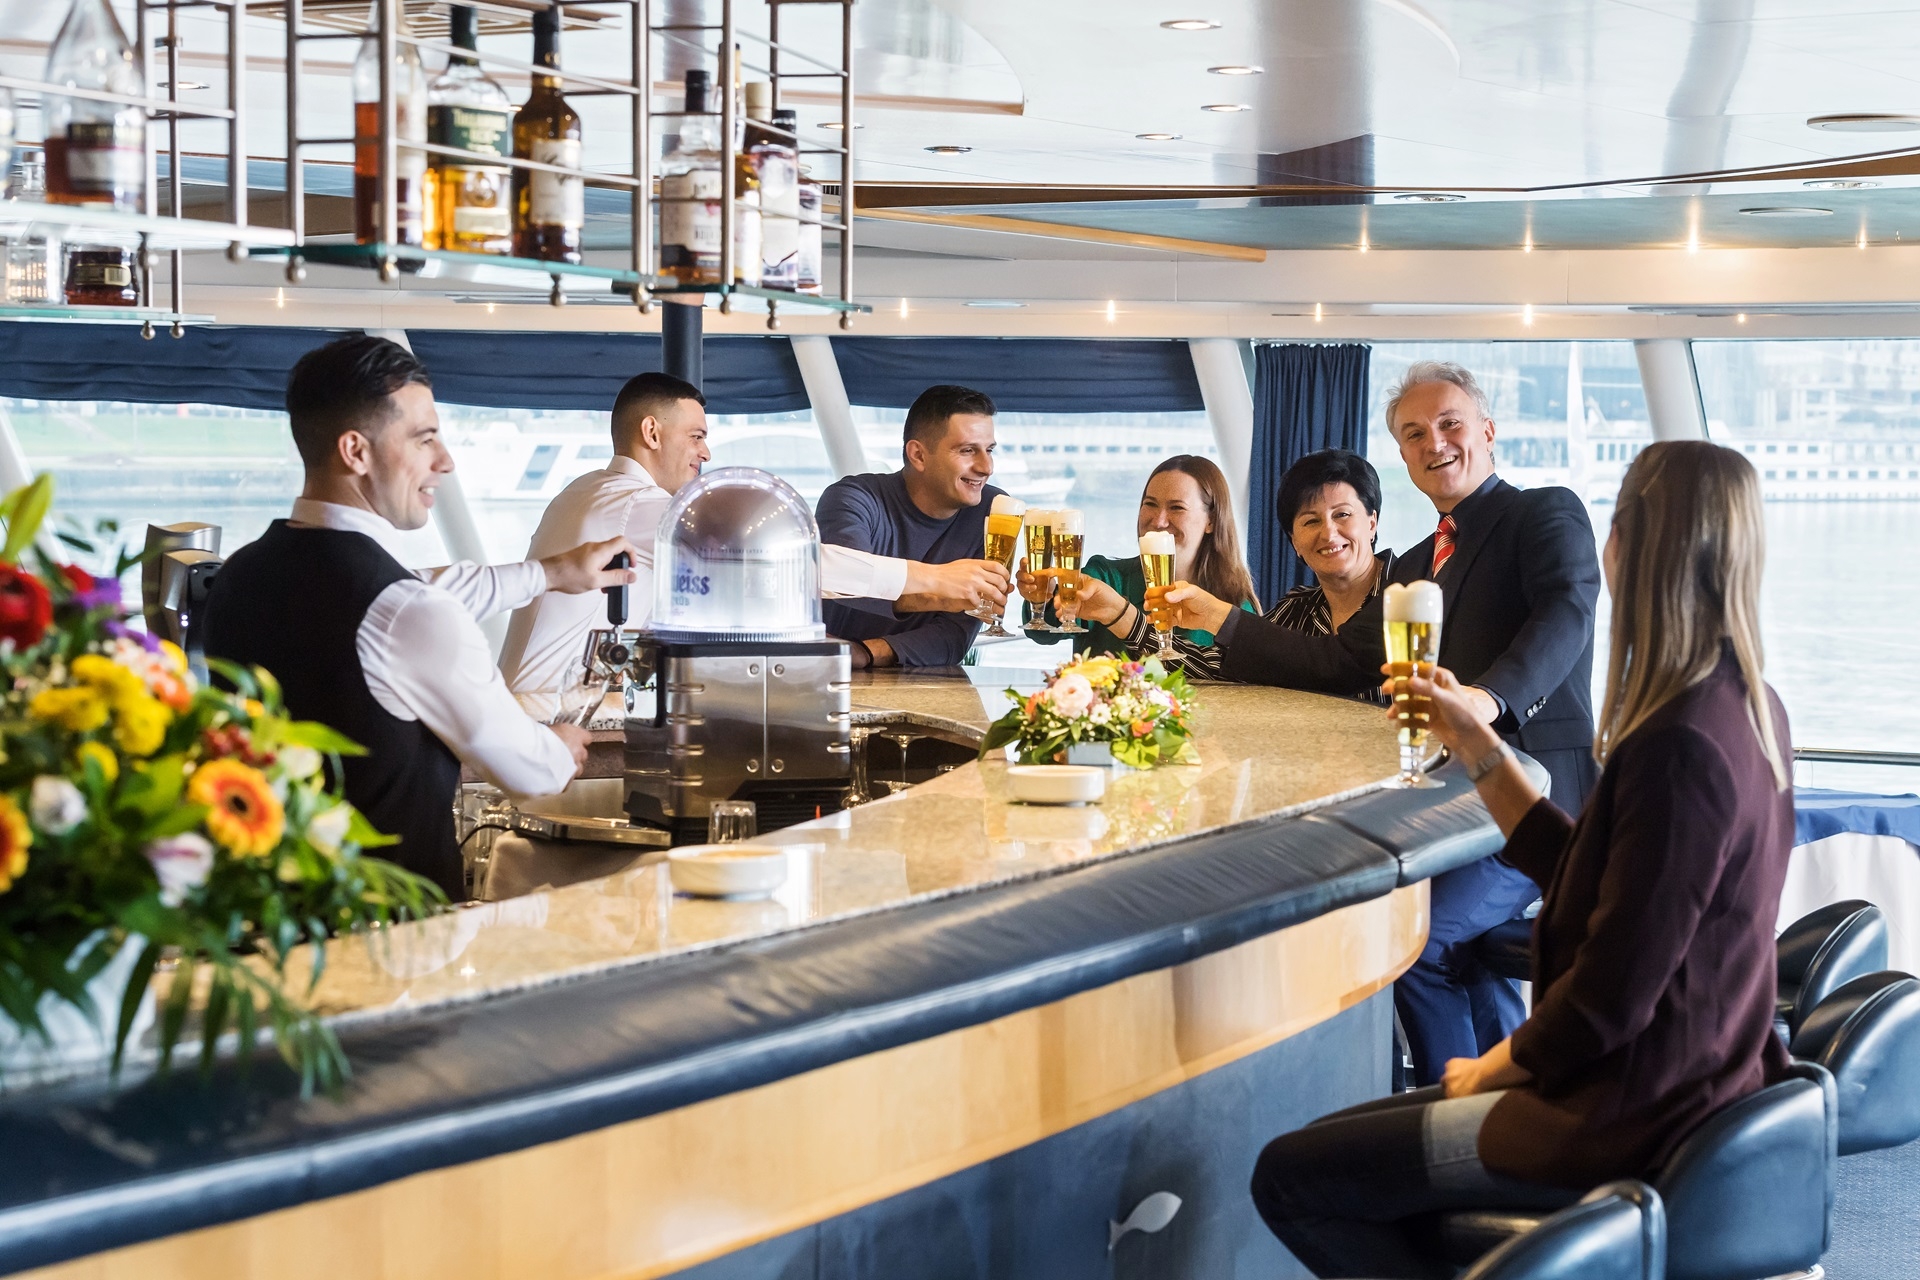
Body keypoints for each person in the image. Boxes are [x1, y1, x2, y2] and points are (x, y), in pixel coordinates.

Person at [1247, 441, 1795, 1279]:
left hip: (1628, 1111)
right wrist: (1475, 743)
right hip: (1702, 1080)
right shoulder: (1748, 708)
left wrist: (1489, 1070)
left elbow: (1609, 998)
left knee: (1293, 1175)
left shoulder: (1677, 745)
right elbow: (1594, 876)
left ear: (1633, 547)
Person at [1161, 363, 1601, 1083]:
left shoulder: (1544, 512)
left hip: (1542, 799)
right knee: (1399, 916)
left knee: (1416, 941)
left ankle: (1449, 1101)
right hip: (1454, 801)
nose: (1436, 443)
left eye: (1450, 424)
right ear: (1402, 454)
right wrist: (1222, 621)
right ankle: (1506, 1093)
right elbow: (1337, 663)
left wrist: (1488, 700)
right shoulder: (1422, 562)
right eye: (1414, 434)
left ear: (1488, 431)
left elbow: (1566, 615)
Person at [201, 334, 636, 901]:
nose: (445, 461)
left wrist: (552, 573)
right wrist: (560, 745)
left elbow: (420, 593)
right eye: (424, 438)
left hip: (273, 912)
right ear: (356, 452)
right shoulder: (405, 609)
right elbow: (532, 773)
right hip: (394, 925)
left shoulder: (240, 574)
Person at [499, 372, 1012, 717]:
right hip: (551, 715)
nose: (706, 452)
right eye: (696, 436)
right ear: (651, 432)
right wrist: (934, 578)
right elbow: (781, 561)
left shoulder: (589, 490)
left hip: (543, 706)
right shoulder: (637, 505)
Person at [1151, 449, 1389, 682]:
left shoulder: (1402, 592)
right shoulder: (1296, 611)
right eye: (1311, 521)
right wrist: (1131, 624)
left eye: (1342, 515)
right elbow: (1224, 665)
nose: (1328, 533)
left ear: (1372, 523)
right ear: (1294, 541)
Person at [816, 384, 1008, 668]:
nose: (986, 467)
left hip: (916, 680)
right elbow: (847, 579)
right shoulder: (853, 497)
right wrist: (939, 581)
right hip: (830, 675)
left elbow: (954, 635)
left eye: (989, 450)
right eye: (968, 450)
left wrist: (867, 652)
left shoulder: (993, 510)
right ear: (918, 455)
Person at [1021, 455, 1257, 663]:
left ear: (1211, 521)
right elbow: (1045, 632)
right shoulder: (1107, 577)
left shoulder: (1234, 603)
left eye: (1177, 508)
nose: (1159, 521)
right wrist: (1044, 598)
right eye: (1150, 504)